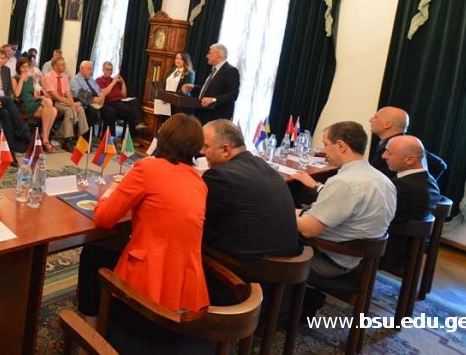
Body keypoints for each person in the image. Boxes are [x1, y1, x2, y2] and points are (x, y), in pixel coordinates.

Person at [76, 114, 209, 323]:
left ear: (161, 139)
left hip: (145, 288)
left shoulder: (148, 168)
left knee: (94, 250)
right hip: (185, 293)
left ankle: (91, 323)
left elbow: (103, 218)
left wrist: (112, 189)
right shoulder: (199, 182)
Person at [294, 121, 396, 293]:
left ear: (341, 146)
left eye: (326, 144)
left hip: (329, 260)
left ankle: (278, 301)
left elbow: (308, 230)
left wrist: (281, 210)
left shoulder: (344, 182)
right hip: (357, 258)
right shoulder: (383, 180)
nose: (324, 150)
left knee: (264, 237)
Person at [200, 120, 300, 262]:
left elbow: (200, 221)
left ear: (226, 150)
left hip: (251, 268)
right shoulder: (262, 165)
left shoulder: (220, 176)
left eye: (206, 146)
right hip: (289, 263)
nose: (201, 152)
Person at [380, 135, 441, 268]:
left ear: (410, 160)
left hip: (385, 253)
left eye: (389, 152)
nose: (383, 156)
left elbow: (375, 217)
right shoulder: (428, 181)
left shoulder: (403, 188)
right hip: (405, 251)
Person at [42, 57, 89, 152]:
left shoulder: (64, 76)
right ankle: (67, 140)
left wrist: (72, 103)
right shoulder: (48, 77)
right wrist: (71, 104)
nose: (65, 66)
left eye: (65, 64)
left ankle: (83, 138)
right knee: (70, 110)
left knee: (79, 108)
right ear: (55, 66)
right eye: (62, 64)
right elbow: (55, 96)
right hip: (52, 102)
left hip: (63, 101)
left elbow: (68, 93)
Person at [12, 57, 57, 152]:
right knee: (49, 102)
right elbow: (16, 94)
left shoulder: (31, 78)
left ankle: (44, 136)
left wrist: (40, 96)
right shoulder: (14, 79)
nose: (25, 69)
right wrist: (21, 80)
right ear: (18, 68)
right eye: (23, 67)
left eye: (27, 67)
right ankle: (45, 137)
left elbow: (34, 95)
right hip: (24, 104)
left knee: (54, 110)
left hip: (33, 101)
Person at [192, 43, 241, 124]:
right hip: (202, 113)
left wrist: (214, 99)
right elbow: (211, 89)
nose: (207, 56)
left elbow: (233, 95)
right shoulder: (214, 70)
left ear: (218, 55)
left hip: (216, 117)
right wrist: (194, 87)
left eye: (210, 53)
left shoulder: (231, 71)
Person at [95, 61, 145, 133]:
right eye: (107, 69)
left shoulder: (114, 80)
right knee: (130, 111)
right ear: (103, 69)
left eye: (111, 69)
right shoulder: (99, 80)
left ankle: (138, 124)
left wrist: (123, 83)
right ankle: (129, 135)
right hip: (111, 102)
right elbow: (103, 93)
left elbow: (124, 95)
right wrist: (113, 83)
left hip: (121, 100)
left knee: (135, 101)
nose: (110, 72)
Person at [70, 60, 113, 131]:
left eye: (92, 69)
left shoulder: (91, 79)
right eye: (89, 69)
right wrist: (93, 99)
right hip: (85, 103)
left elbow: (99, 90)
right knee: (92, 112)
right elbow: (79, 94)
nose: (91, 71)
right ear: (81, 69)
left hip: (97, 102)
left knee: (111, 111)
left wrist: (101, 96)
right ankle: (87, 135)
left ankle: (106, 135)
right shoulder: (75, 80)